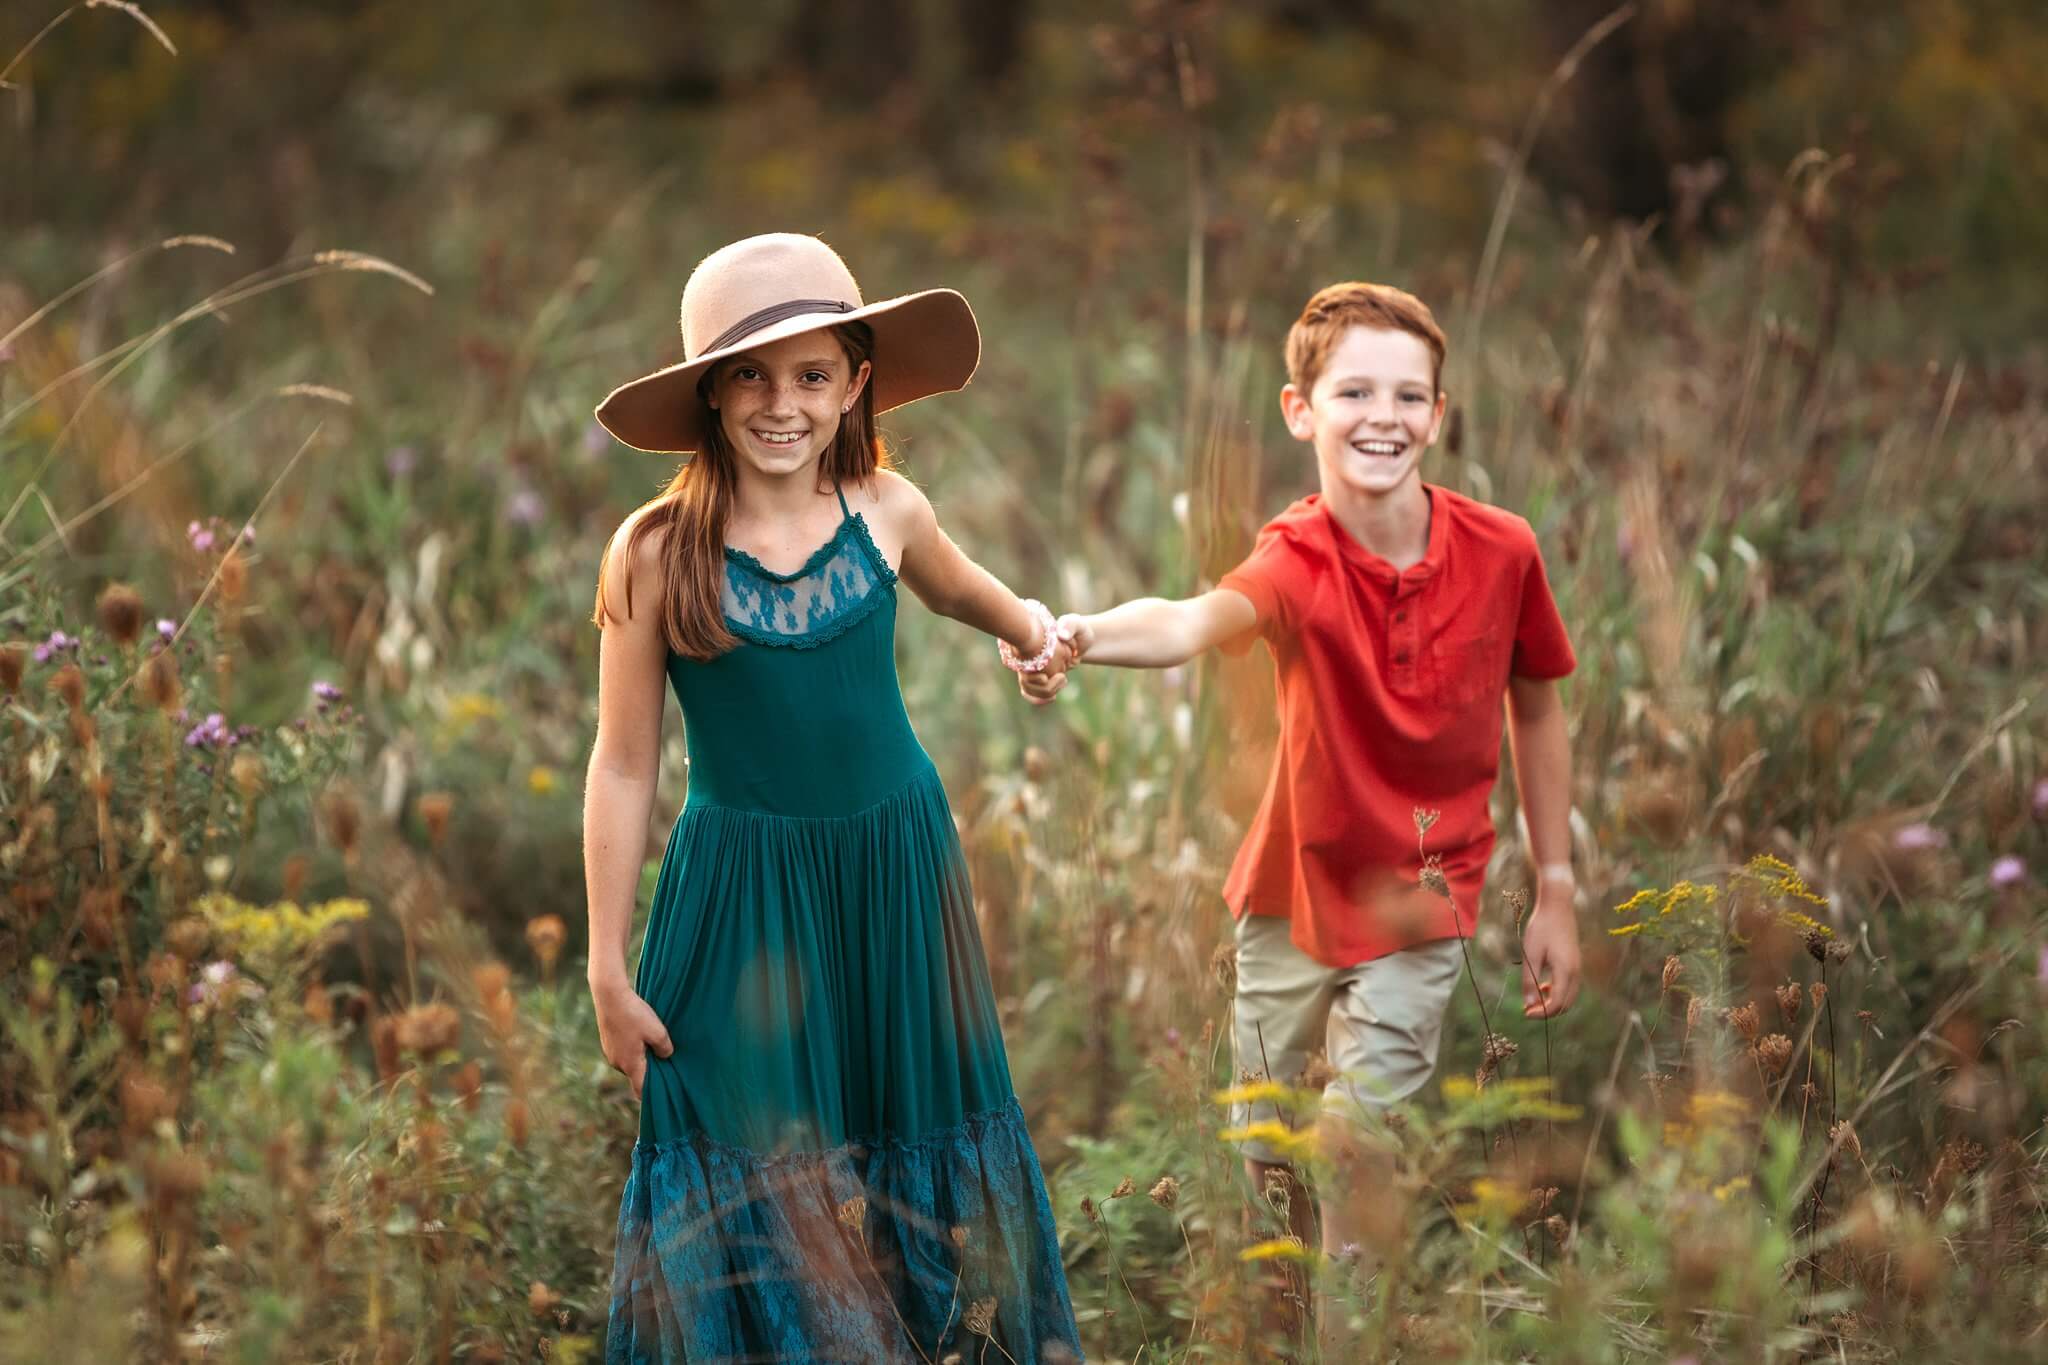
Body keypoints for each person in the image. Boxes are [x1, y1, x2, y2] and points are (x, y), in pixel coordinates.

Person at [1023, 281, 1581, 1345]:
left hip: (1428, 895)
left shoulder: (1501, 550)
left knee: (1351, 1140)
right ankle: (1270, 1329)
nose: (1382, 416)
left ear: (1437, 412)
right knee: (1265, 1151)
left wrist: (1554, 886)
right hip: (1290, 892)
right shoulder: (1296, 558)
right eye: (1353, 391)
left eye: (1407, 395)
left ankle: (1347, 1342)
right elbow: (1190, 622)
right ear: (1299, 410)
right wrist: (1082, 631)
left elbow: (1538, 710)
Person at [584, 233, 1084, 1363]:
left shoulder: (886, 510)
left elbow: (966, 589)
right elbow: (622, 763)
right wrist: (608, 967)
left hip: (894, 872)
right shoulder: (655, 551)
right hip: (739, 894)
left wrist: (1032, 635)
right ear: (709, 395)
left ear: (854, 383)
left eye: (810, 375)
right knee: (743, 1155)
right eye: (750, 376)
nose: (781, 404)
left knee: (914, 1130)